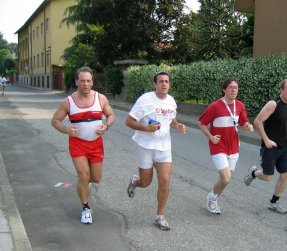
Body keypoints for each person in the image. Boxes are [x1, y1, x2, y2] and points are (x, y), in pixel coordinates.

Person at [51, 66, 115, 224]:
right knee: (83, 175)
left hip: (96, 144)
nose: (85, 83)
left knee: (96, 178)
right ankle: (86, 208)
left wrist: (106, 125)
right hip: (78, 144)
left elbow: (111, 115)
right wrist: (67, 130)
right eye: (82, 81)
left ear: (92, 82)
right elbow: (55, 120)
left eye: (88, 80)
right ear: (76, 82)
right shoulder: (68, 102)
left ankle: (86, 185)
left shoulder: (100, 99)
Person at [125, 71, 186, 231]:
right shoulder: (145, 100)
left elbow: (171, 119)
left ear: (169, 84)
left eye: (166, 81)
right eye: (161, 81)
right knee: (145, 182)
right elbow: (129, 121)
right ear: (154, 84)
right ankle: (135, 182)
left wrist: (177, 126)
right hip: (144, 146)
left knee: (165, 181)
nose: (164, 84)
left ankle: (160, 217)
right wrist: (146, 128)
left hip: (164, 148)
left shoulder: (171, 101)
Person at [244, 79, 287, 214]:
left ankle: (274, 202)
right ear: (281, 90)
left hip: (285, 145)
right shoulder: (273, 104)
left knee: (285, 174)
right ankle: (253, 173)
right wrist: (266, 140)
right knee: (268, 177)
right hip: (270, 146)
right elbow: (258, 121)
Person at [198, 78, 254, 215]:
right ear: (224, 89)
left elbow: (243, 121)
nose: (234, 90)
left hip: (234, 146)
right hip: (218, 146)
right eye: (230, 87)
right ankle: (211, 198)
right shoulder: (215, 106)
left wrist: (248, 126)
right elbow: (201, 123)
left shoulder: (239, 105)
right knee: (226, 177)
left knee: (225, 180)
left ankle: (214, 199)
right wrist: (211, 137)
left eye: (236, 87)